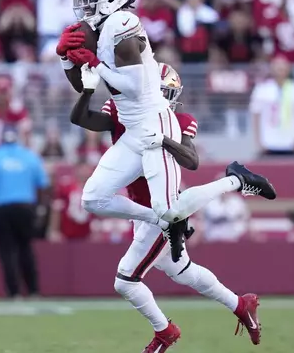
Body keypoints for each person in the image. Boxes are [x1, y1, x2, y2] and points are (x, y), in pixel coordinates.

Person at [60, 0, 275, 271]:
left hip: (153, 122)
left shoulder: (122, 22)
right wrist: (65, 60)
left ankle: (237, 179)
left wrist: (94, 62)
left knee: (169, 208)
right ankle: (163, 222)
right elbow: (83, 86)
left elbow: (133, 87)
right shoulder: (102, 27)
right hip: (133, 128)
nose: (85, 7)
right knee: (93, 199)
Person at [70, 61, 262, 352]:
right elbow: (81, 118)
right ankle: (240, 304)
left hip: (164, 209)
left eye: (167, 94)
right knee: (182, 270)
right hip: (142, 211)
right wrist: (87, 90)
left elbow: (191, 160)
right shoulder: (124, 112)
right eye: (158, 93)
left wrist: (162, 140)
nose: (163, 100)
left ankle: (165, 332)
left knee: (125, 281)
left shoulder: (180, 121)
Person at [0, 125, 50, 299]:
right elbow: (44, 186)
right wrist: (41, 210)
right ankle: (33, 290)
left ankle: (14, 292)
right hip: (26, 207)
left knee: (6, 250)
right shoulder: (30, 157)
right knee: (26, 248)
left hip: (2, 208)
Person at [249, 56, 294, 158]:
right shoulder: (261, 89)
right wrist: (258, 140)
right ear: (272, 69)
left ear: (289, 69)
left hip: (291, 142)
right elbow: (256, 114)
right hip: (268, 141)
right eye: (277, 67)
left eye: (283, 67)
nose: (280, 71)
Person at [50, 161, 96, 242]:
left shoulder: (94, 188)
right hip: (67, 231)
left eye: (87, 169)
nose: (85, 172)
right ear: (77, 169)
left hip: (86, 232)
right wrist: (55, 230)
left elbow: (97, 213)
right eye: (83, 169)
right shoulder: (65, 186)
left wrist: (96, 232)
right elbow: (57, 209)